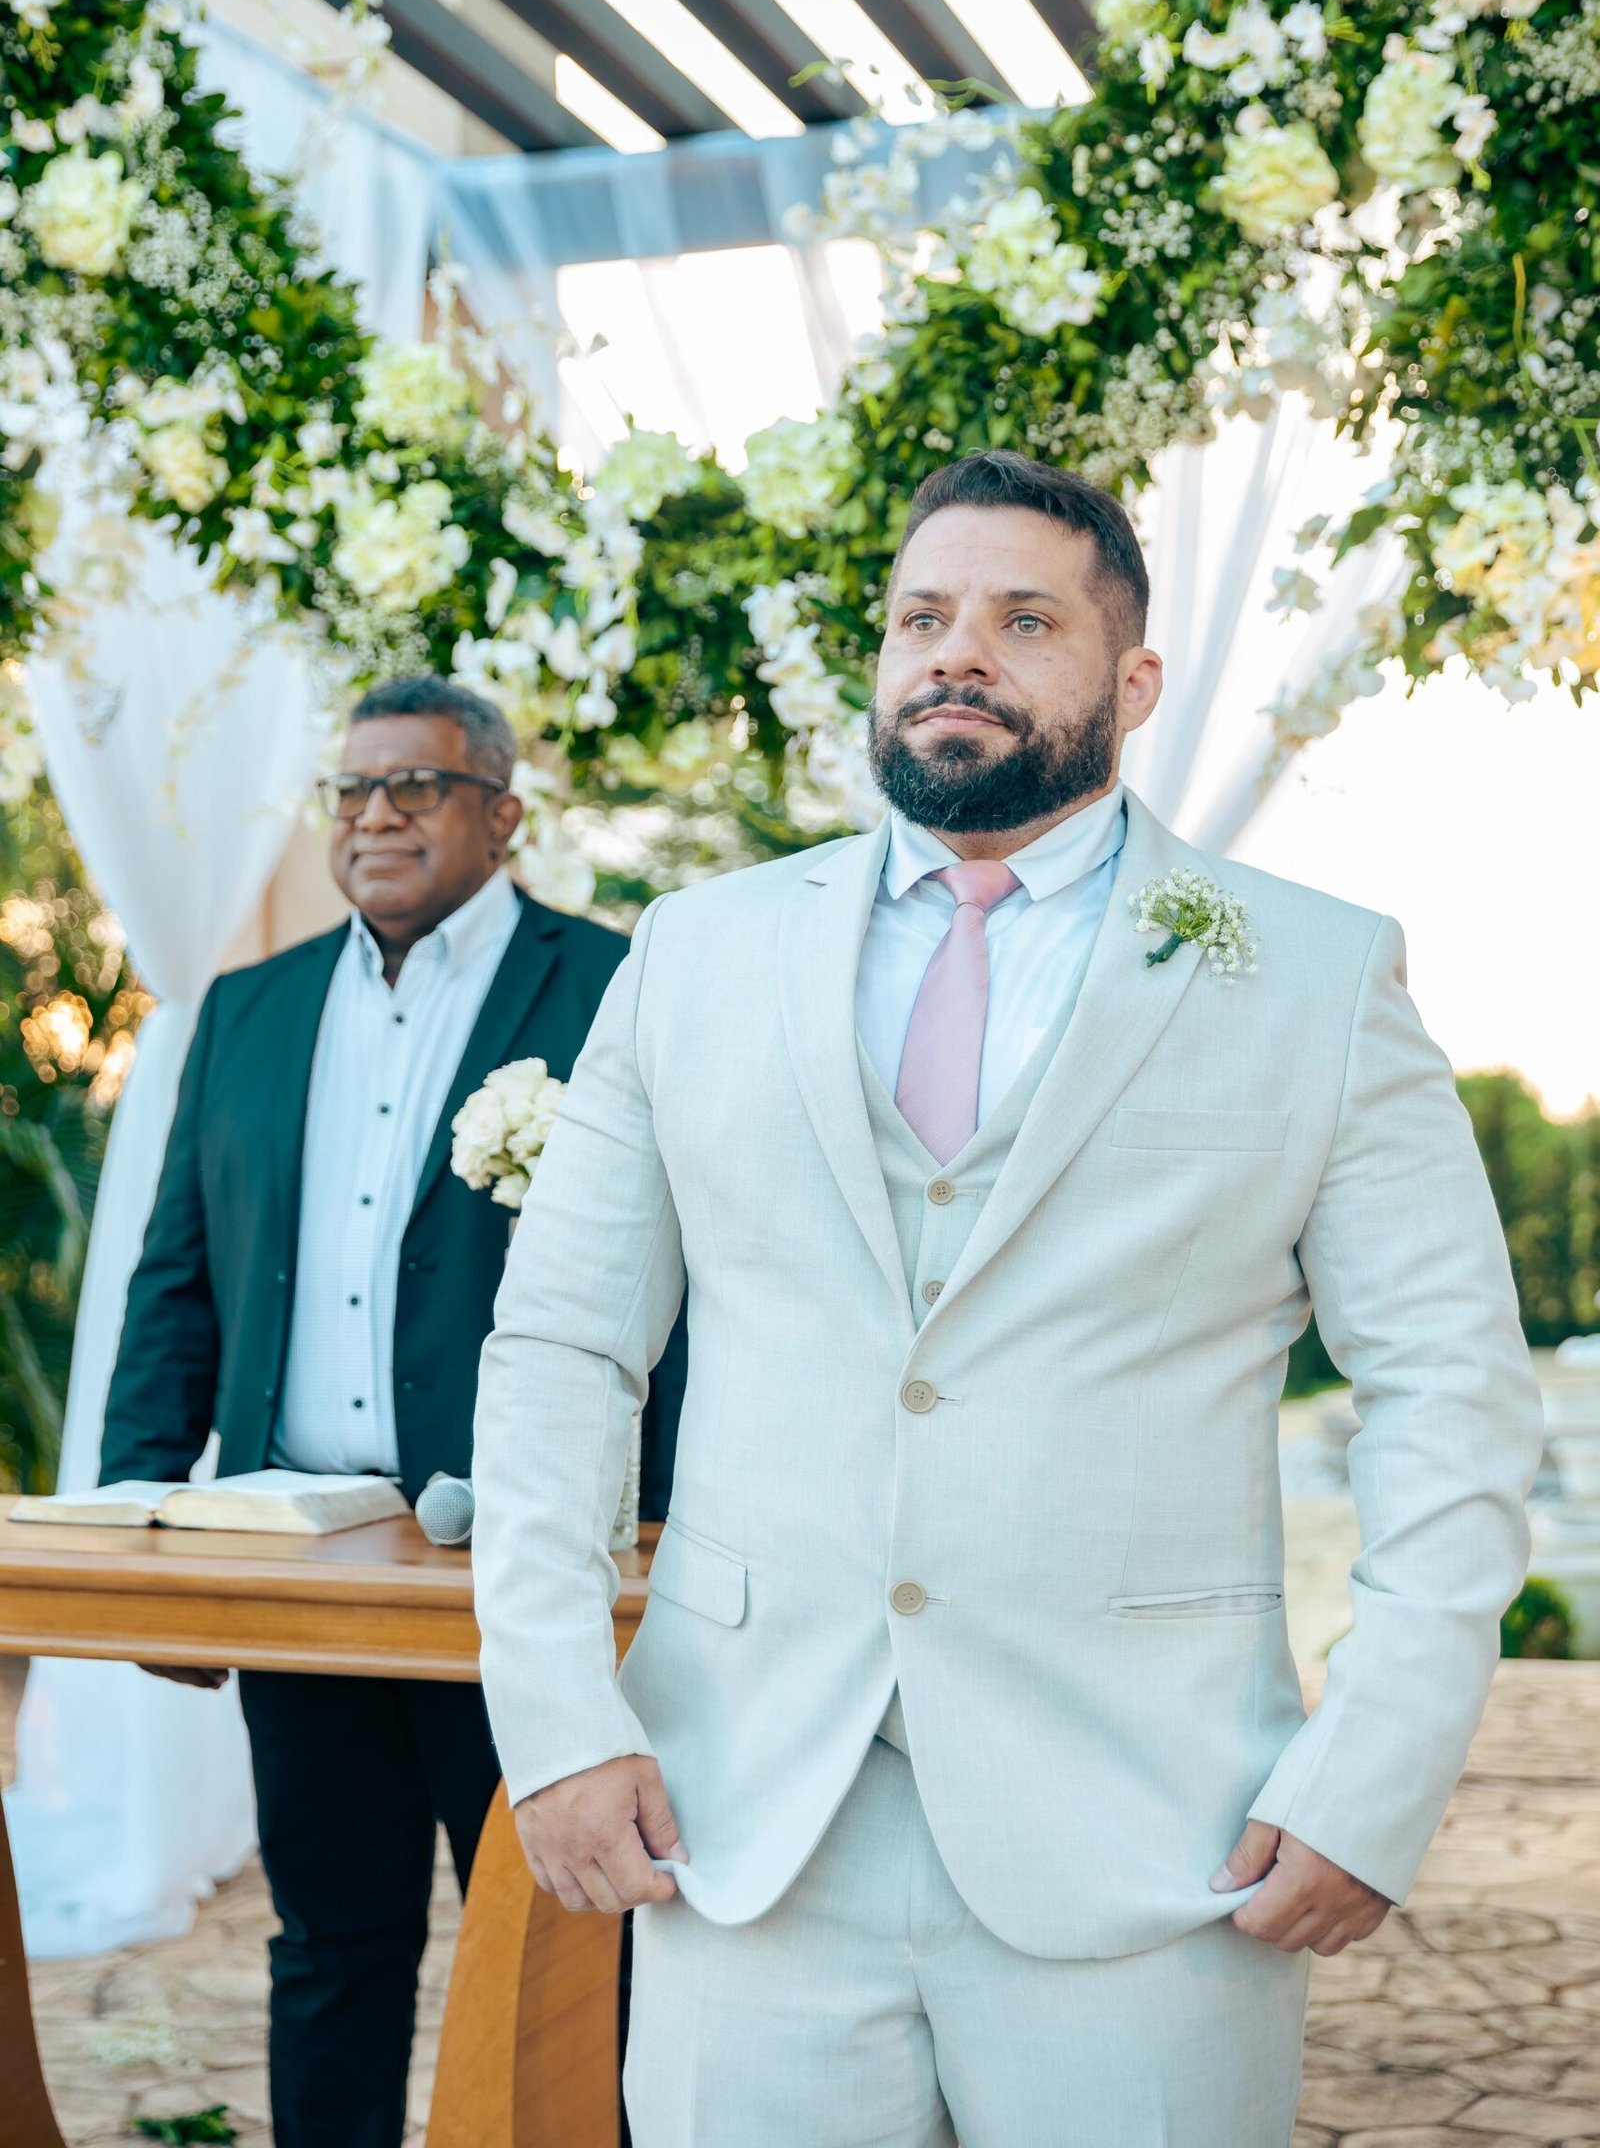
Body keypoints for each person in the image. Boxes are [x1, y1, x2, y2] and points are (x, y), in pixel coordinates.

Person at [471, 451, 1542, 2148]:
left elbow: (1451, 1395)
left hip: (1157, 1839)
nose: (957, 652)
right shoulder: (696, 950)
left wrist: (1372, 1776)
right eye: (922, 617)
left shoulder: (1318, 973)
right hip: (744, 1822)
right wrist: (554, 1720)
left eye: (1023, 620)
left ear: (1135, 682)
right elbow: (561, 1351)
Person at [99, 672, 685, 2148]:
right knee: (328, 1942)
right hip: (300, 1569)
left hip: (533, 1566)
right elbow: (177, 1281)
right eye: (351, 790)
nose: (374, 816)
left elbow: (697, 1285)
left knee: (571, 1954)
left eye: (414, 786)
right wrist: (137, 1527)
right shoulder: (247, 1009)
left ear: (504, 813)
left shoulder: (616, 987)